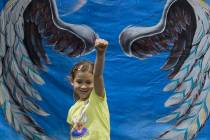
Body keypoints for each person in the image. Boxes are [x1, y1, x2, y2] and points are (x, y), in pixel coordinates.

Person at [66, 38, 110, 140]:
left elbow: (97, 75)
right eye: (79, 82)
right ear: (72, 82)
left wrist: (100, 54)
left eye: (88, 82)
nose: (84, 86)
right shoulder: (72, 110)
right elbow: (72, 135)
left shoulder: (97, 98)